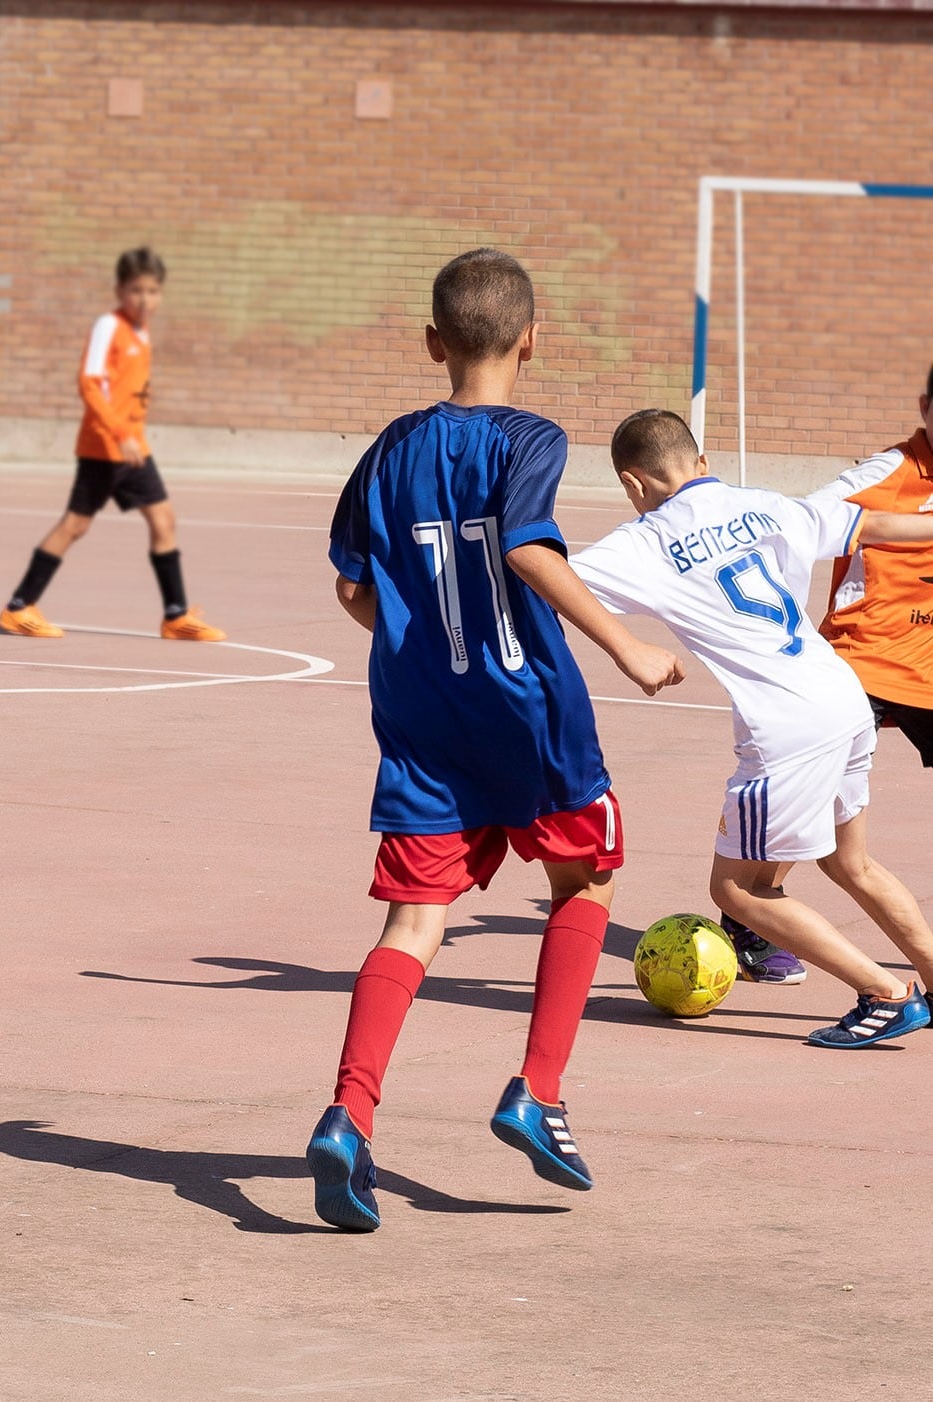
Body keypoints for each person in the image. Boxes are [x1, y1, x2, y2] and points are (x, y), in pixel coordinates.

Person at [306, 248, 683, 1233]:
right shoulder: (530, 438)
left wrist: (417, 646)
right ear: (530, 337)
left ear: (433, 343)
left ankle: (348, 1114)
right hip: (529, 713)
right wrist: (627, 644)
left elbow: (351, 585)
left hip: (421, 720)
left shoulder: (389, 446)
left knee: (411, 924)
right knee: (586, 880)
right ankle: (537, 1091)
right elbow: (523, 543)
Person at [570, 409, 933, 1051]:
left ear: (633, 484)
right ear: (702, 462)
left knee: (738, 890)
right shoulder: (768, 505)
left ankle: (885, 993)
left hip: (787, 726)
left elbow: (550, 578)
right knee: (849, 861)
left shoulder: (645, 539)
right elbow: (874, 524)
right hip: (843, 696)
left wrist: (626, 646)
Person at [722, 369, 933, 986]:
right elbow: (802, 521)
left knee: (845, 853)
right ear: (925, 407)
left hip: (928, 668)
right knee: (817, 828)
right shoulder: (887, 472)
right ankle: (753, 918)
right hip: (861, 662)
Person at [0, 247, 226, 642]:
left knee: (163, 518)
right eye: (136, 290)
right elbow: (88, 383)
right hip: (104, 447)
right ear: (120, 290)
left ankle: (175, 616)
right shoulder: (109, 326)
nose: (145, 299)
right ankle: (19, 607)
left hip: (134, 448)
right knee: (75, 525)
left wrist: (132, 435)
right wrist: (120, 434)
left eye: (153, 291)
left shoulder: (141, 332)